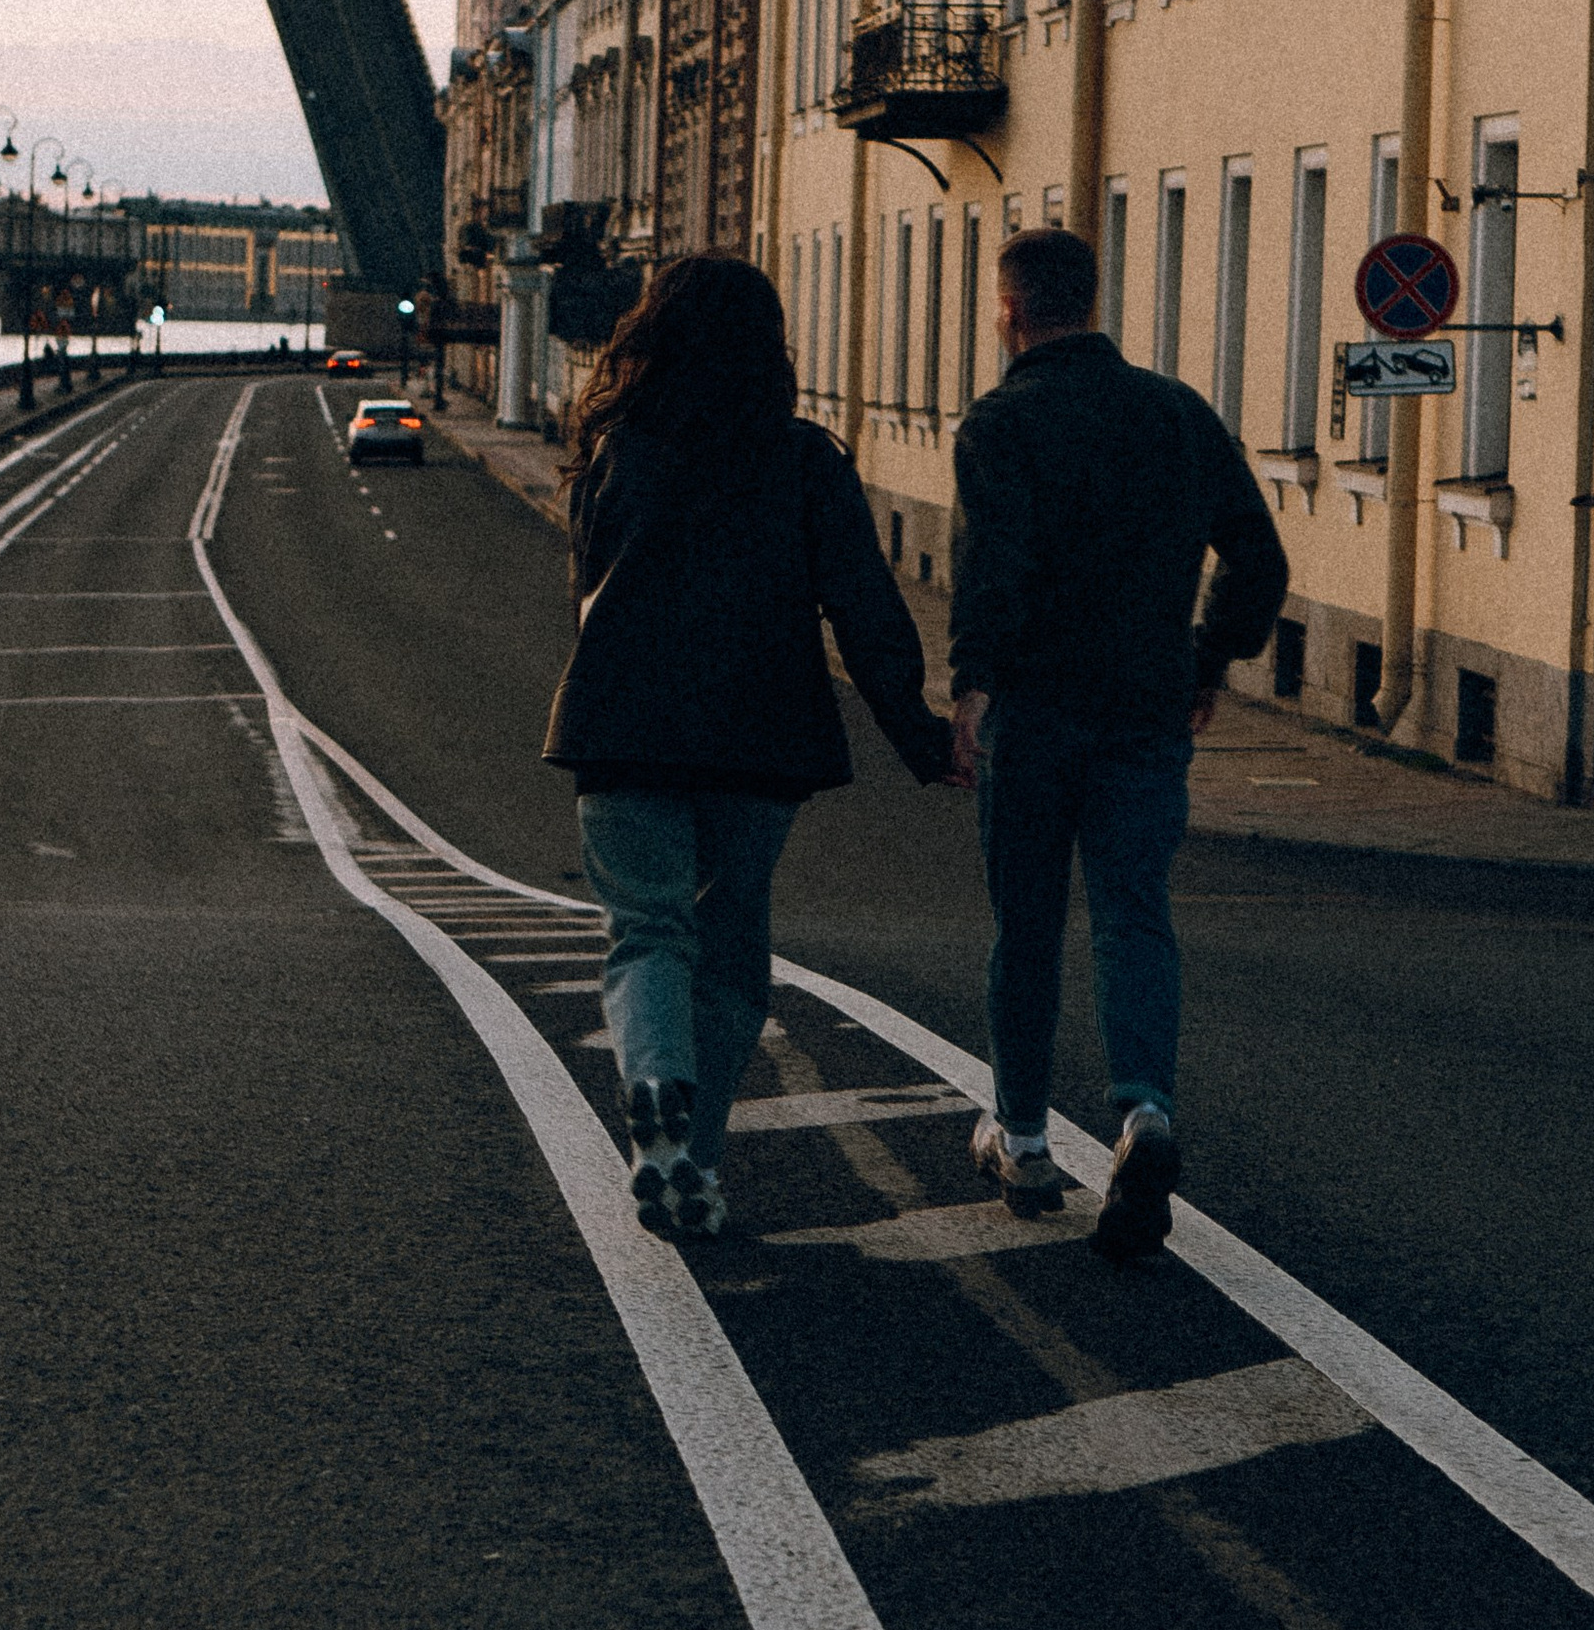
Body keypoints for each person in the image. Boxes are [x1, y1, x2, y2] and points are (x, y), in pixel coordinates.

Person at [544, 254, 954, 1241]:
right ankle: (696, 1158)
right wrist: (920, 736)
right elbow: (863, 607)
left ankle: (655, 1087)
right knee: (730, 949)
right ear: (769, 348)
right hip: (759, 736)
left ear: (653, 337)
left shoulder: (615, 450)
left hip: (623, 726)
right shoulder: (806, 460)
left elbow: (586, 587)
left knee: (645, 930)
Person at [948, 222, 1288, 1260]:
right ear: (1091, 300)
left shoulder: (1000, 422)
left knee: (1027, 925)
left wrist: (969, 686)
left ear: (1011, 309)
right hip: (1146, 708)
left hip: (1035, 711)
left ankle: (1023, 1139)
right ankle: (1145, 1111)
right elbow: (1259, 558)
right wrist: (1207, 659)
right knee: (1133, 916)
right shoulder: (1176, 412)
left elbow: (993, 568)